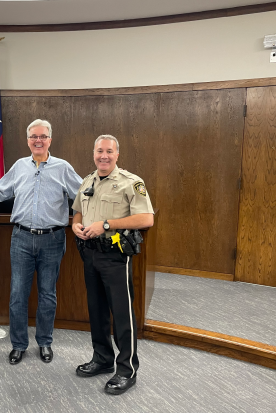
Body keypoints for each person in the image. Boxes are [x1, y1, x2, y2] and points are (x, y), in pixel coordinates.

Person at [0, 119, 82, 365]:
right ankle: (18, 345)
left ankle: (45, 342)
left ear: (50, 140)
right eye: (33, 137)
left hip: (53, 239)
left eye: (42, 136)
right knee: (18, 294)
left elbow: (83, 196)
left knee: (47, 294)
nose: (38, 140)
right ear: (28, 140)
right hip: (21, 238)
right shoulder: (19, 166)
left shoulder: (63, 167)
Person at [72, 135, 154, 395]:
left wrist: (107, 224)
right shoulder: (87, 181)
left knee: (121, 313)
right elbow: (78, 210)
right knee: (96, 310)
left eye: (109, 151)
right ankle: (102, 359)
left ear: (117, 154)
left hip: (115, 255)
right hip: (89, 253)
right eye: (99, 151)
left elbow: (146, 219)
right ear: (93, 153)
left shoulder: (131, 182)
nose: (103, 156)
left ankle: (127, 370)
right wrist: (75, 225)